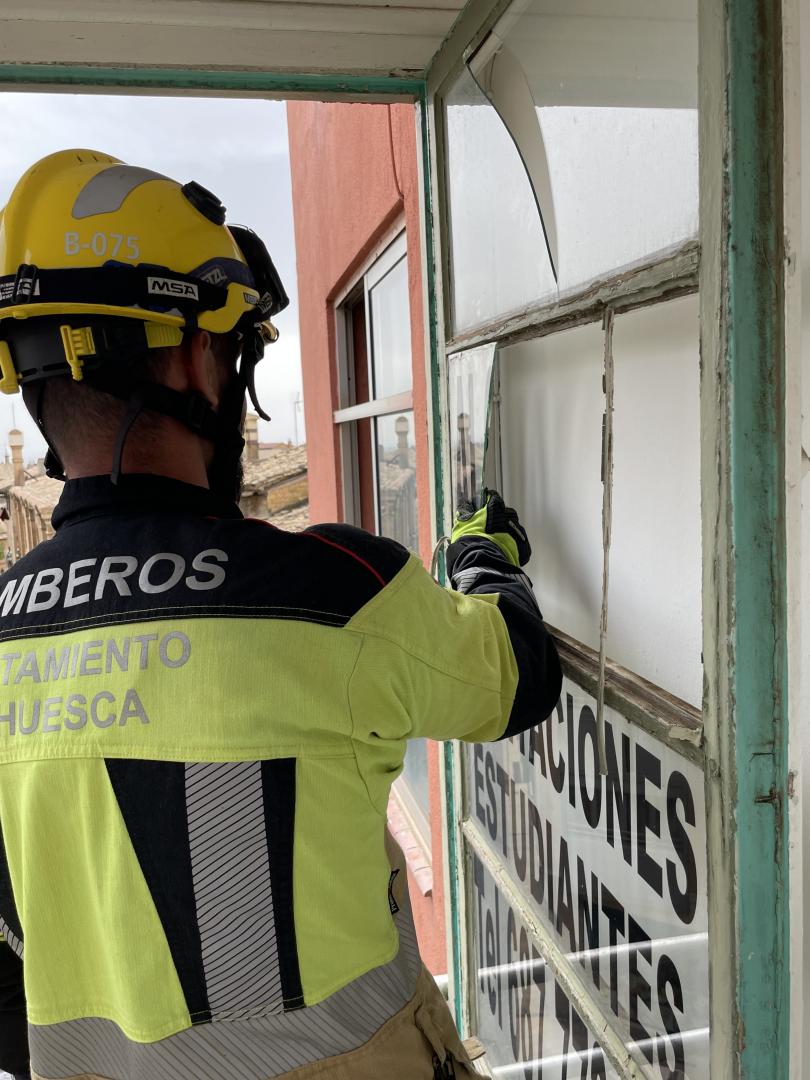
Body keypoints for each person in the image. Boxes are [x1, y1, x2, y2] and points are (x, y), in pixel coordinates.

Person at [0, 149, 561, 1080]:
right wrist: (482, 557)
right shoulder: (331, 596)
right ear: (191, 354)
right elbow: (515, 677)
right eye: (235, 348)